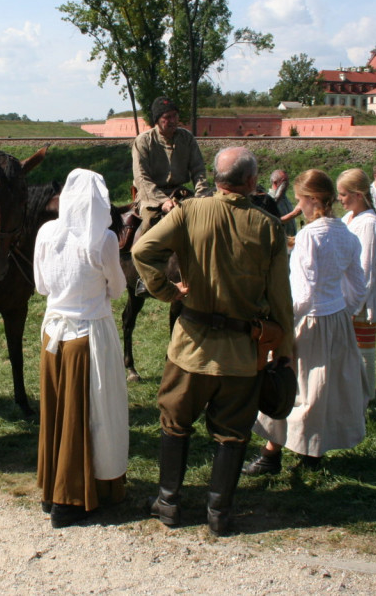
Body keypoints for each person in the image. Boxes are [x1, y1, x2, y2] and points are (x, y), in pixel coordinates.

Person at [132, 147, 294, 536]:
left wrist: (168, 291)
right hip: (242, 353)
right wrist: (284, 350)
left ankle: (169, 503)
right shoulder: (269, 227)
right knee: (233, 432)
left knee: (174, 422)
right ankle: (219, 513)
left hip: (190, 347)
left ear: (217, 179)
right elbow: (280, 299)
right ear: (252, 181)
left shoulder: (189, 211)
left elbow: (141, 250)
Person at [247, 169, 366, 474]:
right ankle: (313, 451)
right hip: (337, 319)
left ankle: (272, 455)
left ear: (313, 199)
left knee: (293, 387)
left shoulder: (309, 236)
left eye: (300, 200)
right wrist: (343, 313)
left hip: (310, 321)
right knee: (324, 389)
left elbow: (304, 293)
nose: (298, 206)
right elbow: (358, 288)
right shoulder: (346, 234)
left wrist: (284, 324)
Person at [32, 168, 129, 529]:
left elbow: (42, 286)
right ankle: (69, 499)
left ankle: (52, 490)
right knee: (86, 418)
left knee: (58, 414)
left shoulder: (46, 233)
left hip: (52, 337)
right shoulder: (103, 240)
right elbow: (117, 289)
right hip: (87, 336)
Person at [337, 168, 376, 405]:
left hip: (361, 300)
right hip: (345, 297)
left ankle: (365, 398)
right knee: (348, 351)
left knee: (363, 351)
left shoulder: (369, 223)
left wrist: (355, 305)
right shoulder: (348, 218)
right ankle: (350, 395)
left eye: (343, 194)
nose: (339, 198)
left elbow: (365, 269)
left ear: (358, 194)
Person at [131, 96, 213, 233]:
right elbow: (141, 178)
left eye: (175, 116)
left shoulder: (187, 138)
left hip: (179, 192)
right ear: (157, 120)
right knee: (150, 223)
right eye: (167, 117)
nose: (173, 120)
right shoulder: (143, 141)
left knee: (207, 220)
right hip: (150, 195)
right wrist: (162, 201)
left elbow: (198, 170)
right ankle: (142, 247)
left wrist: (202, 195)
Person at [268, 169, 300, 238]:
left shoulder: (285, 198)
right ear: (275, 182)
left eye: (288, 181)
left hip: (292, 240)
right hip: (280, 242)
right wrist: (294, 213)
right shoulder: (269, 200)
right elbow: (273, 222)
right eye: (284, 181)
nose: (287, 184)